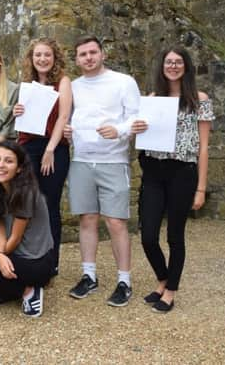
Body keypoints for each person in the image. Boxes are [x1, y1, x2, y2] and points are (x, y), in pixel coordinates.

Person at [131, 47, 214, 313]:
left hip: (182, 172)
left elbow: (203, 147)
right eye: (169, 61)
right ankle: (163, 278)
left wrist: (201, 188)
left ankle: (171, 290)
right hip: (154, 170)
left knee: (175, 236)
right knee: (148, 236)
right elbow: (141, 137)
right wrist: (138, 129)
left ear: (186, 67)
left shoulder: (199, 99)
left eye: (178, 62)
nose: (173, 66)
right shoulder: (154, 99)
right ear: (162, 66)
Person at [64, 34, 140, 307]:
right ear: (77, 59)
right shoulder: (73, 86)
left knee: (116, 221)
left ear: (102, 54)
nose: (88, 57)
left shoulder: (123, 82)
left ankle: (124, 280)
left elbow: (136, 117)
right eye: (83, 54)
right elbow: (68, 118)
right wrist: (67, 132)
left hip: (113, 161)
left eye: (93, 52)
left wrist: (119, 130)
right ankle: (89, 276)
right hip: (82, 160)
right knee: (87, 219)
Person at [0, 141, 54, 317]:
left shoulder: (26, 192)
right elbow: (1, 229)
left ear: (19, 168)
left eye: (8, 161)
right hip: (14, 252)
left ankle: (30, 290)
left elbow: (15, 238)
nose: (1, 165)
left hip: (36, 260)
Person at [13, 38, 72, 275]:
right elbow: (21, 120)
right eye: (38, 55)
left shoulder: (63, 82)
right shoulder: (27, 84)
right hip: (28, 147)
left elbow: (63, 117)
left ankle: (52, 259)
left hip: (54, 148)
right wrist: (18, 111)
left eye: (47, 55)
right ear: (31, 58)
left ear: (54, 57)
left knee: (49, 204)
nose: (42, 59)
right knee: (26, 202)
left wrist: (50, 149)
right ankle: (27, 254)